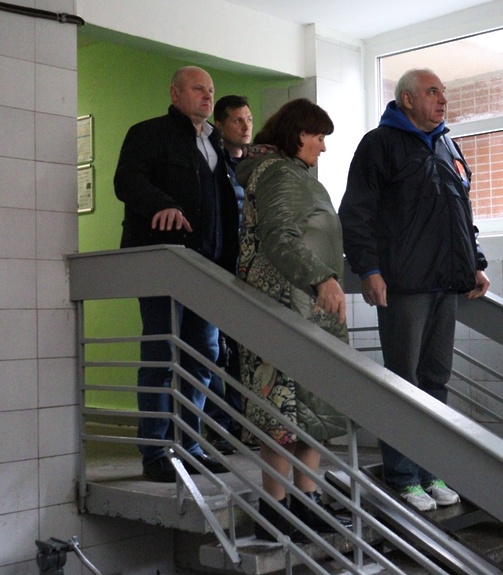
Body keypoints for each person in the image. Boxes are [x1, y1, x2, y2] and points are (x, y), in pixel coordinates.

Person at [339, 68, 491, 511]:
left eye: (443, 92)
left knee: (435, 381)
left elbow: (462, 212)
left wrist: (476, 263)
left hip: (447, 284)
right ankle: (403, 476)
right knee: (402, 383)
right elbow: (356, 213)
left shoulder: (447, 144)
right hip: (404, 286)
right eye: (432, 92)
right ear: (407, 99)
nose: (443, 99)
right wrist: (368, 269)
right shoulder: (379, 145)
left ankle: (431, 470)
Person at [114, 66, 240, 482]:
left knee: (202, 357)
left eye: (211, 90)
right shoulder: (148, 133)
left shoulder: (215, 142)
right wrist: (161, 204)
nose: (207, 96)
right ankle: (156, 452)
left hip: (208, 269)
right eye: (198, 89)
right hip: (164, 266)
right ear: (174, 93)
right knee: (162, 357)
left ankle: (189, 446)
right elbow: (126, 181)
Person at [235, 98, 352, 541]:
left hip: (304, 305)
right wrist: (321, 277)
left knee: (309, 407)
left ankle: (307, 500)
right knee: (281, 409)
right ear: (299, 134)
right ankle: (277, 509)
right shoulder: (278, 173)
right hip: (282, 304)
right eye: (318, 136)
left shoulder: (292, 173)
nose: (323, 146)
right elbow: (278, 236)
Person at [203, 95, 255, 452]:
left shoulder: (256, 166)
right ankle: (218, 424)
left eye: (248, 119)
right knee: (210, 349)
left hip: (248, 269)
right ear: (219, 125)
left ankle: (240, 423)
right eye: (237, 120)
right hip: (216, 265)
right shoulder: (210, 162)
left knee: (241, 350)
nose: (246, 126)